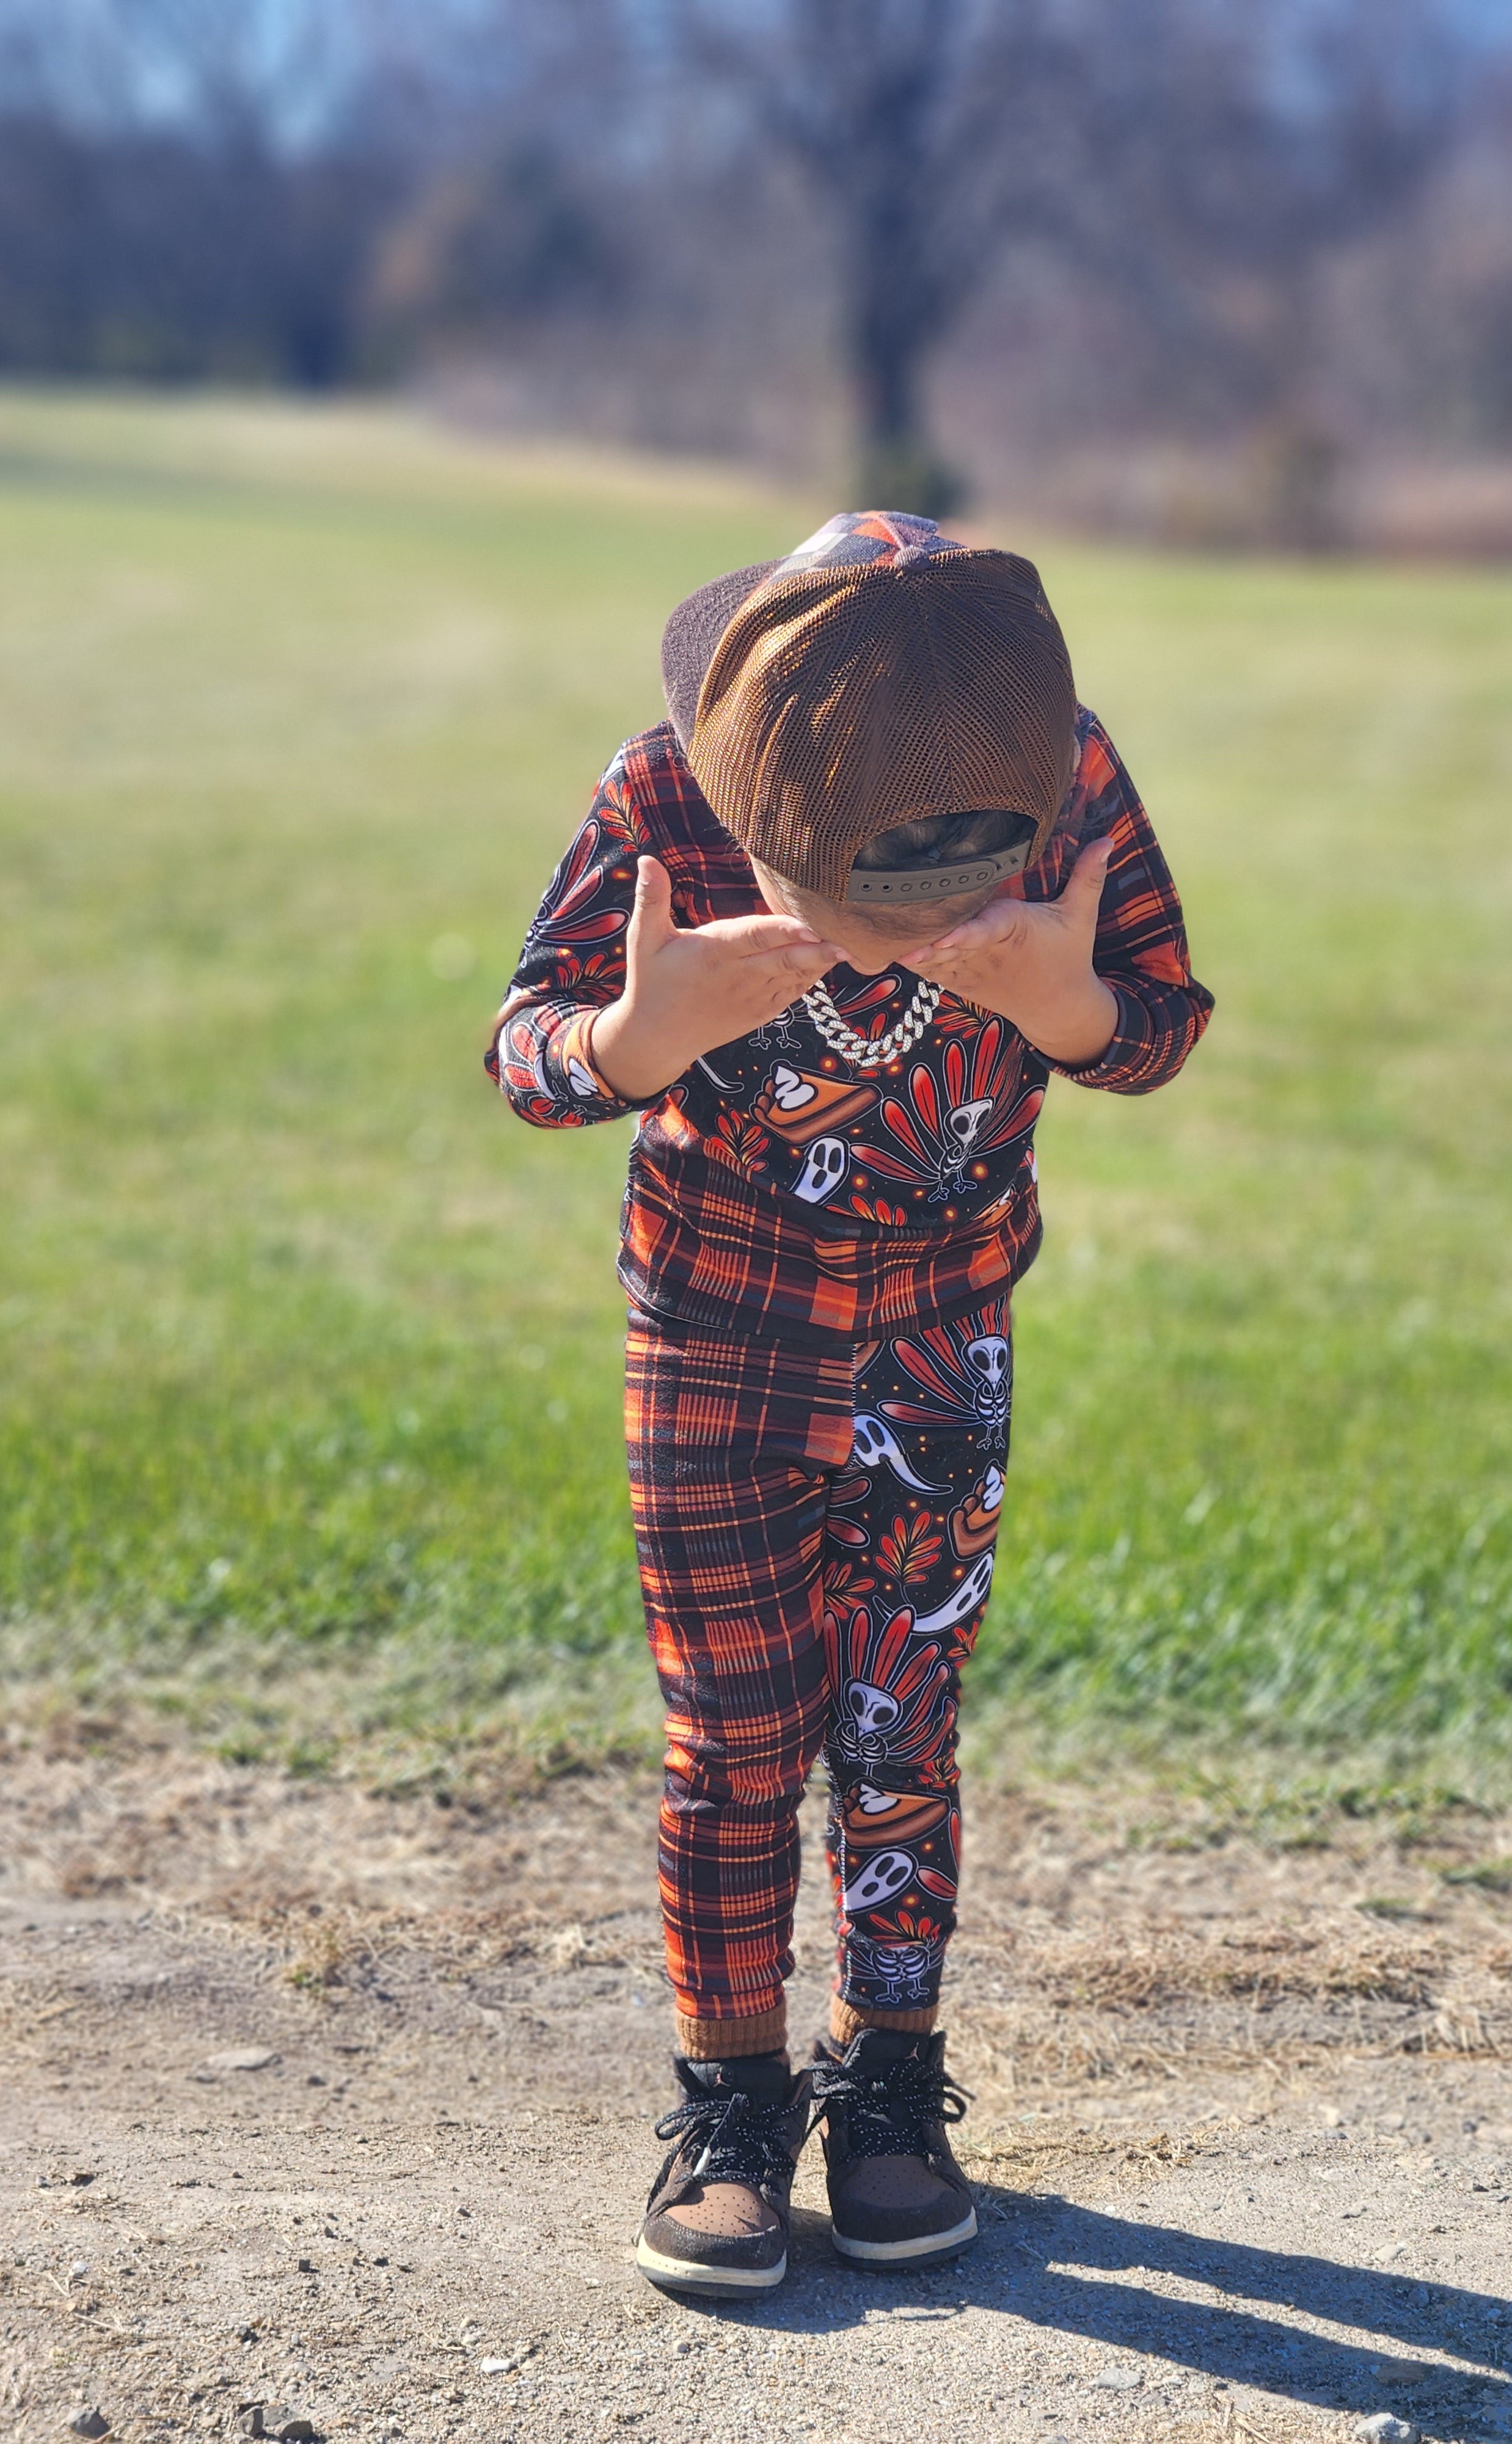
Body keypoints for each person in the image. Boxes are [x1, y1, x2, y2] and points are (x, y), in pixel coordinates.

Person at [487, 510, 1213, 2299]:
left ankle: (886, 2089)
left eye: (936, 908)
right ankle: (731, 2104)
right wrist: (633, 1045)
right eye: (865, 908)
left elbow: (1162, 1021)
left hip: (940, 1329)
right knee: (734, 1737)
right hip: (720, 1329)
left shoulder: (1066, 779)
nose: (899, 948)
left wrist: (1065, 1003)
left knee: (901, 1731)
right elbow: (526, 1047)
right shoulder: (665, 795)